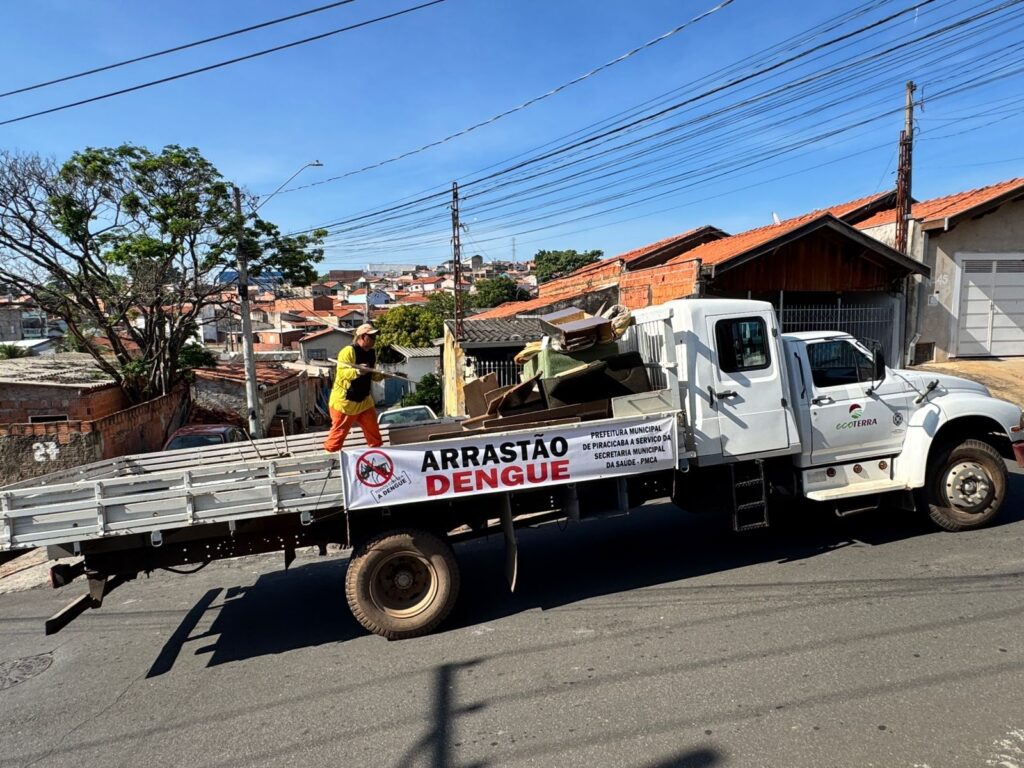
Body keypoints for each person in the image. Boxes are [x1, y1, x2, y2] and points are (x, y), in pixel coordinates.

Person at [323, 323, 384, 452]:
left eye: (375, 337)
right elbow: (343, 373)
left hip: (364, 401)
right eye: (371, 337)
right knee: (337, 437)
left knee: (374, 435)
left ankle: (378, 457)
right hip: (345, 402)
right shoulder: (348, 351)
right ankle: (330, 463)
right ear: (362, 337)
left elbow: (372, 375)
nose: (374, 340)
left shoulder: (372, 353)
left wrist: (383, 376)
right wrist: (357, 371)